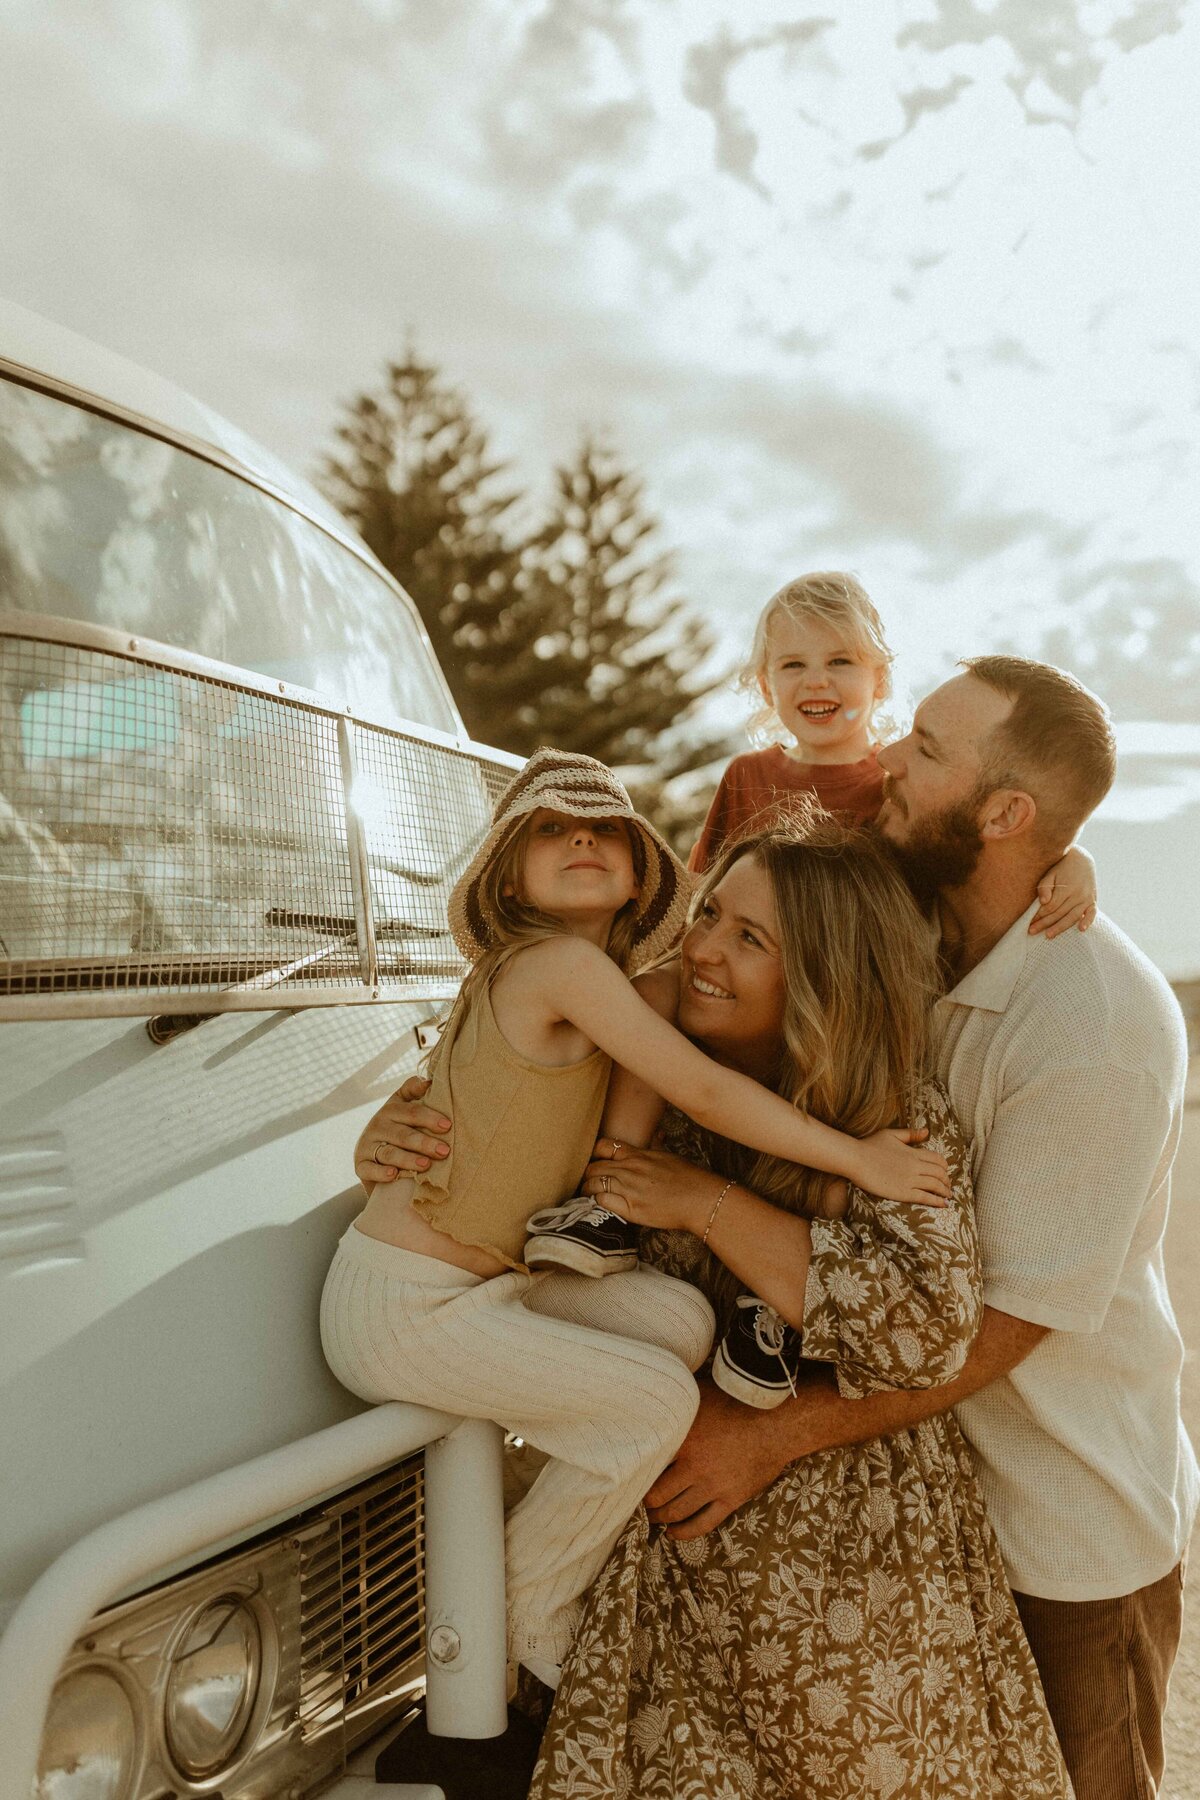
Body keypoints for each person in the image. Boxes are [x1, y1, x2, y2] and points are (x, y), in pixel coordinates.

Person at [361, 817, 1073, 1797]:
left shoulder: (887, 1110)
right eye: (708, 915)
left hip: (845, 1588)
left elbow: (924, 1330)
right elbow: (493, 1131)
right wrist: (393, 1131)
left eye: (751, 939)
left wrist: (706, 1205)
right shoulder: (633, 1067)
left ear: (822, 975)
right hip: (654, 1571)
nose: (701, 949)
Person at [636, 657, 1194, 1800]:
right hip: (919, 1513)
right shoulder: (912, 929)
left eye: (927, 750)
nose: (885, 757)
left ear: (1004, 815)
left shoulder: (1092, 1024)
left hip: (1062, 1535)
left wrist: (768, 1437)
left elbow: (1006, 1325)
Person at [321, 748, 948, 1690]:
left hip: (484, 1292)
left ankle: (523, 1513)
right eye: (549, 828)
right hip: (406, 1308)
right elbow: (695, 1084)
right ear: (507, 872)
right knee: (655, 1402)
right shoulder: (556, 965)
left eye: (604, 826)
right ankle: (520, 1600)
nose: (581, 835)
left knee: (679, 1323)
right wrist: (858, 1158)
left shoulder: (604, 982)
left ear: (640, 870)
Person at [689, 569, 1095, 942]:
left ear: (878, 680)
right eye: (793, 664)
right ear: (766, 687)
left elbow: (972, 855)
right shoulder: (746, 776)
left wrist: (1074, 861)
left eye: (840, 661)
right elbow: (699, 889)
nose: (816, 680)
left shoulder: (899, 782)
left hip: (855, 992)